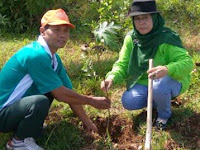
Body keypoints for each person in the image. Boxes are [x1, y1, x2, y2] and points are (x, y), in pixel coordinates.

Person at [0, 8, 111, 150]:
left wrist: (88, 123)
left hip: (14, 109)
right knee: (40, 101)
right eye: (56, 30)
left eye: (66, 31)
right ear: (42, 31)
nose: (62, 35)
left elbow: (68, 93)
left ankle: (31, 126)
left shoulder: (53, 59)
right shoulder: (35, 55)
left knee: (50, 90)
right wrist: (91, 100)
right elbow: (60, 94)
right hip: (2, 113)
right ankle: (18, 141)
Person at [101, 0, 193, 130]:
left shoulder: (166, 38)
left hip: (170, 80)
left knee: (159, 87)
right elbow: (123, 63)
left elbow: (188, 62)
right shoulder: (131, 39)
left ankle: (164, 115)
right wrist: (112, 77)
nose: (141, 22)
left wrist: (167, 69)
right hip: (145, 82)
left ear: (154, 18)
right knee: (128, 101)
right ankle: (158, 101)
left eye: (145, 18)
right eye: (137, 19)